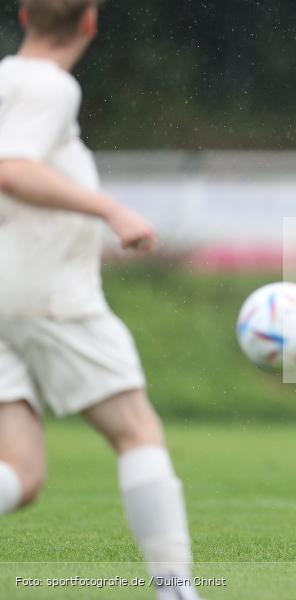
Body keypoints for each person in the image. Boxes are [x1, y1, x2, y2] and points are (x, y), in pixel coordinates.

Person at [0, 2, 201, 598]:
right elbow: (12, 169)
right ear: (90, 23)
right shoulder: (50, 86)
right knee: (137, 431)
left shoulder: (6, 77)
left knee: (23, 473)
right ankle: (177, 591)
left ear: (27, 14)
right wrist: (110, 210)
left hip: (7, 296)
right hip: (45, 297)